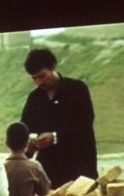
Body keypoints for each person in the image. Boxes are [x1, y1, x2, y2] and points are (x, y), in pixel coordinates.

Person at [21, 48, 98, 187]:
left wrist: (55, 137)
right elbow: (25, 128)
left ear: (53, 67)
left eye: (42, 76)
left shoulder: (77, 89)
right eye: (34, 78)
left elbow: (85, 126)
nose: (39, 82)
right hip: (49, 172)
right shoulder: (34, 98)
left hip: (79, 168)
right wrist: (29, 146)